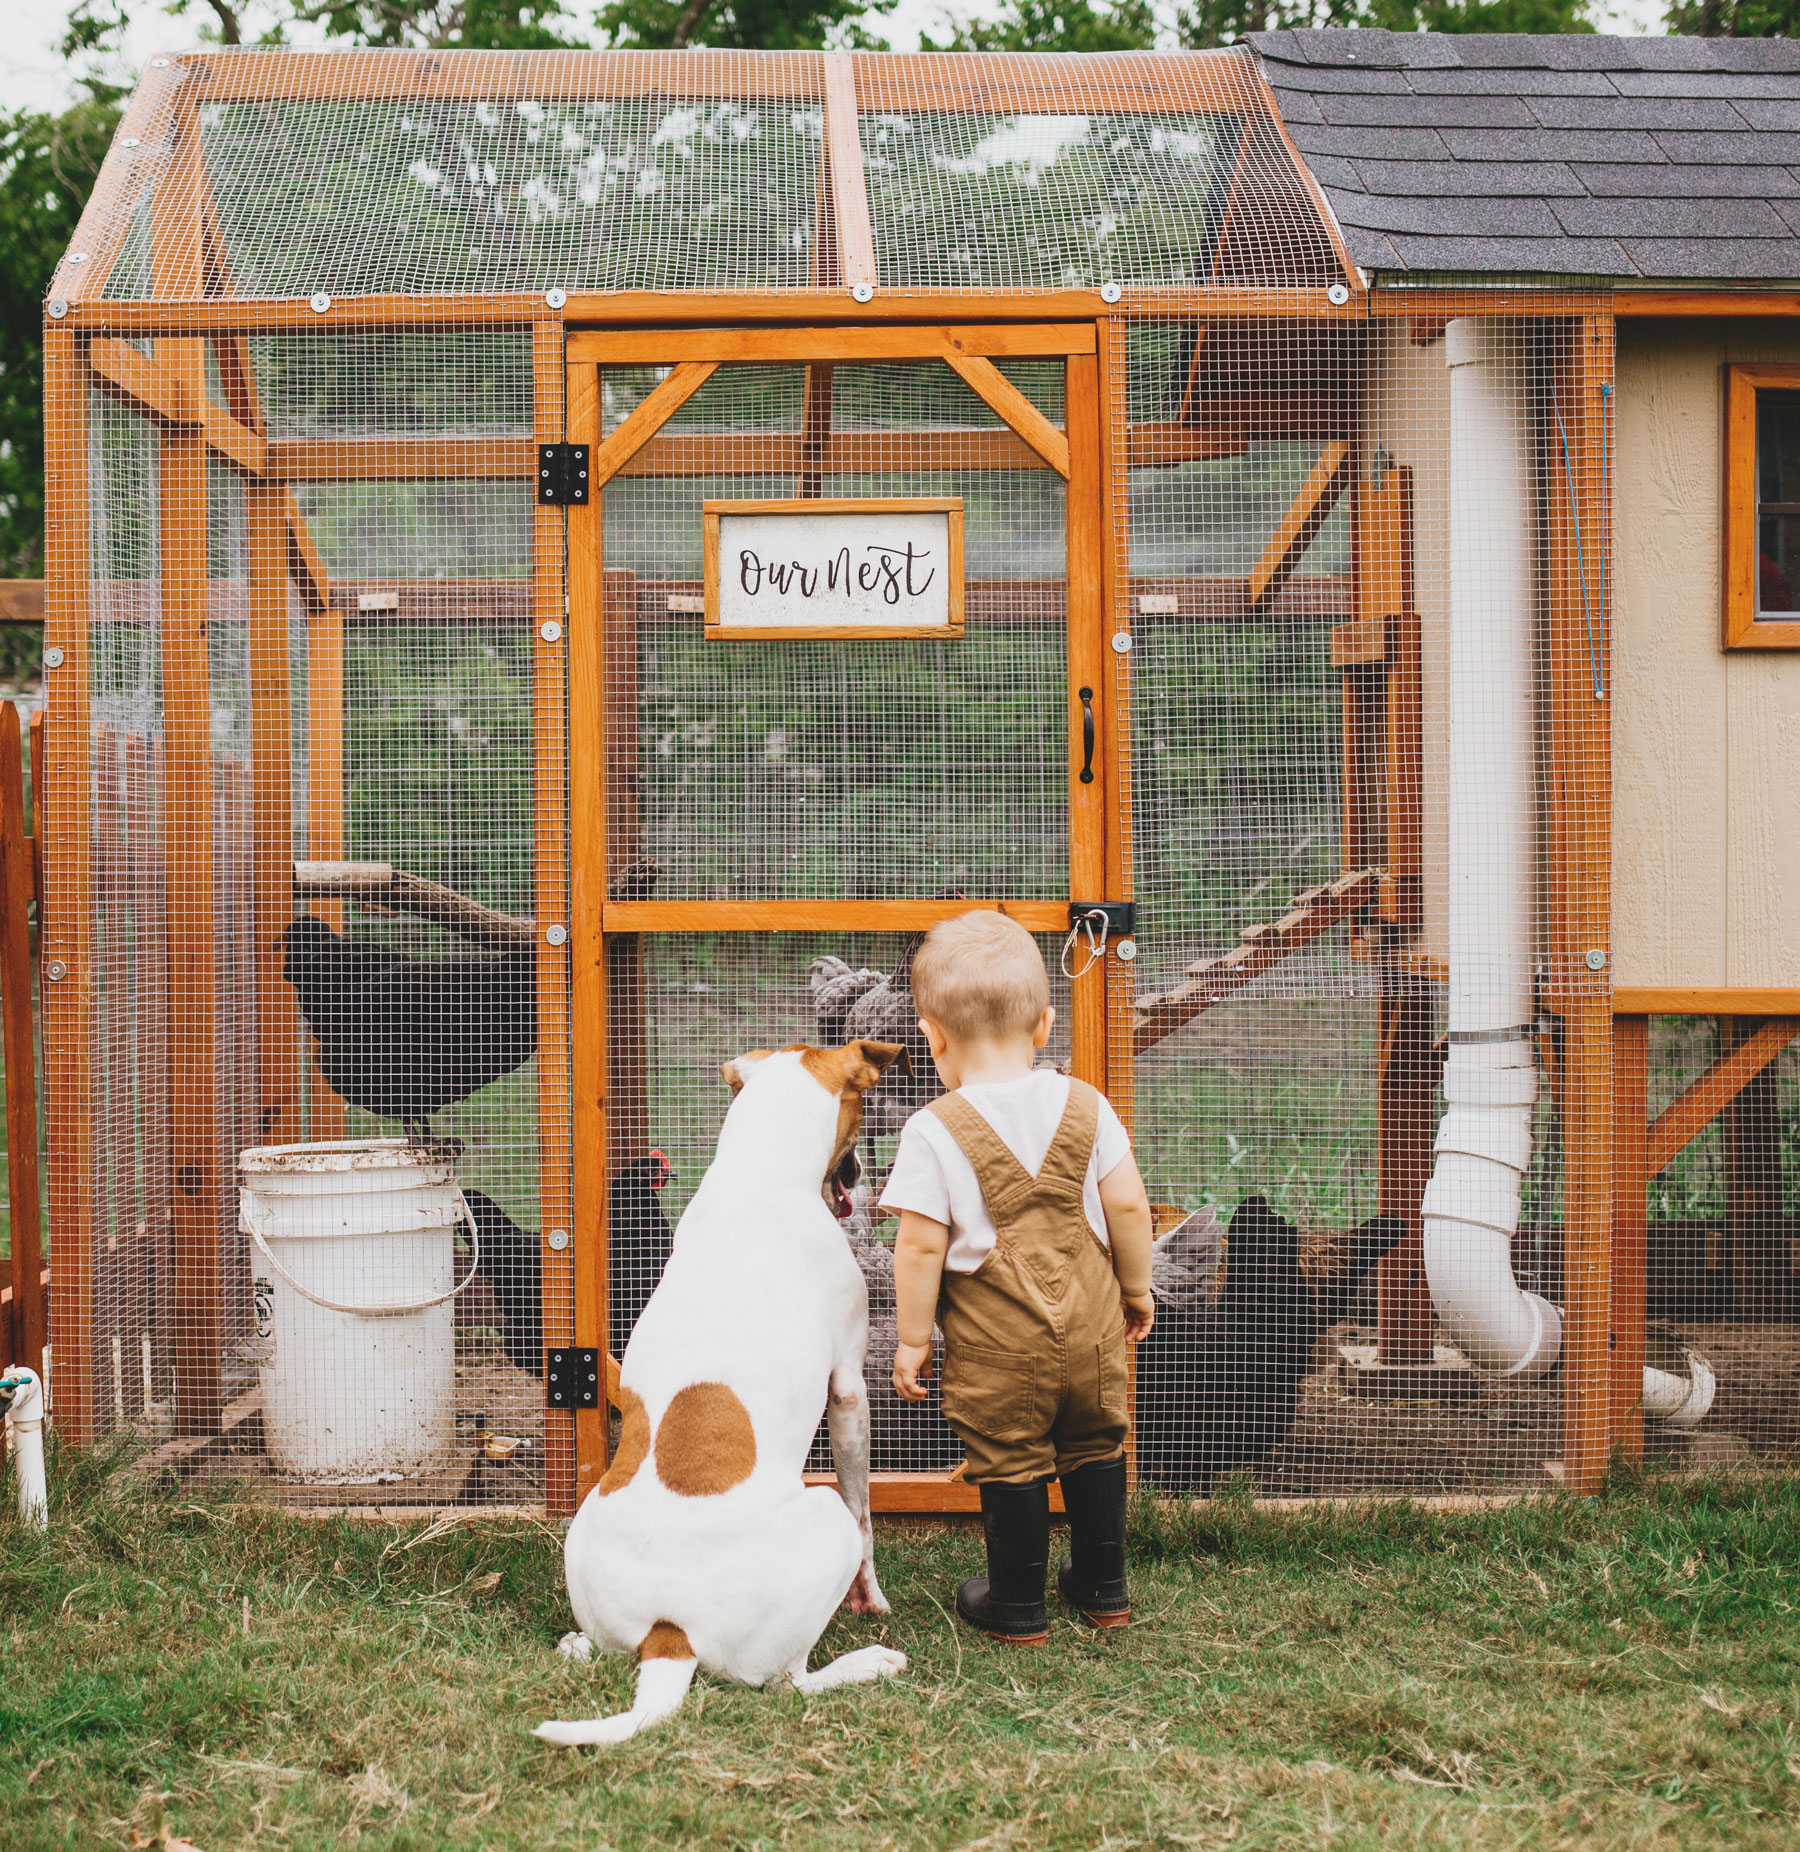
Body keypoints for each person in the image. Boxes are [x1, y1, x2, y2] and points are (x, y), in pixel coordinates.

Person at [881, 911, 1155, 1645]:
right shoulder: (1088, 1104)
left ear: (931, 1033)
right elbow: (1128, 1204)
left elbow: (916, 1247)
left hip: (997, 1347)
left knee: (1010, 1454)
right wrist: (1135, 1288)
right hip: (1094, 1335)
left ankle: (1017, 1603)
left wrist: (911, 1340)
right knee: (1097, 1442)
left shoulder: (933, 1129)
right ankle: (1104, 1589)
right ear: (1044, 1024)